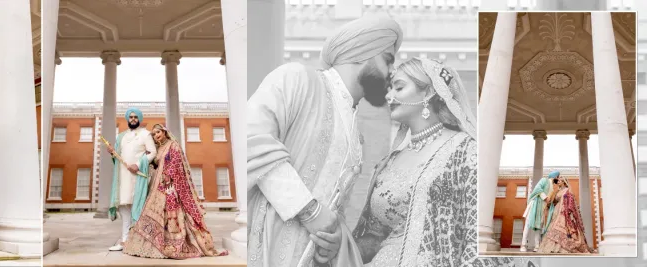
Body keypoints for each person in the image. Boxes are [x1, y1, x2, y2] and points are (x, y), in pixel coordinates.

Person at [247, 15, 402, 267]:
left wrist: (332, 241)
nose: (392, 72)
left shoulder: (356, 132)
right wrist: (310, 211)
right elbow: (251, 138)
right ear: (362, 53)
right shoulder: (296, 78)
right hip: (267, 248)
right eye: (387, 60)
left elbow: (334, 212)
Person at [350, 57, 535, 266]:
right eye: (389, 89)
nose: (389, 96)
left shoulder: (466, 151)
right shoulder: (388, 163)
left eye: (399, 88)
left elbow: (476, 235)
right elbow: (375, 236)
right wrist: (338, 245)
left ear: (429, 92)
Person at [123, 124, 228, 258]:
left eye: (158, 132)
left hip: (170, 185)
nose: (156, 135)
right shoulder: (158, 149)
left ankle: (175, 243)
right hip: (157, 185)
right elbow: (155, 165)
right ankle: (155, 244)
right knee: (155, 212)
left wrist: (168, 178)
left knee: (172, 214)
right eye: (154, 134)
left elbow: (176, 163)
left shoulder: (173, 145)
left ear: (165, 132)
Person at [107, 107, 157, 251]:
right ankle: (124, 240)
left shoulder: (145, 134)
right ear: (128, 119)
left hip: (138, 176)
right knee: (124, 206)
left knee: (138, 207)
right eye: (131, 117)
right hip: (122, 176)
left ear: (139, 119)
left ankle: (141, 241)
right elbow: (118, 155)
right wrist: (112, 152)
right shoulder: (121, 136)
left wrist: (138, 164)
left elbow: (152, 152)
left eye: (136, 117)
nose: (133, 119)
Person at [538, 173, 592, 254]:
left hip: (565, 213)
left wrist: (570, 212)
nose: (558, 181)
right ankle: (553, 247)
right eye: (558, 180)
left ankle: (563, 248)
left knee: (564, 228)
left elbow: (571, 202)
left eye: (560, 180)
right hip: (556, 212)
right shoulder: (557, 191)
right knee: (553, 228)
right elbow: (553, 202)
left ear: (564, 182)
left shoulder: (567, 190)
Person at [519, 171, 557, 252]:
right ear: (554, 176)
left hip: (542, 208)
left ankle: (537, 246)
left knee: (539, 227)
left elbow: (549, 200)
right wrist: (545, 198)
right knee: (528, 224)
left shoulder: (552, 188)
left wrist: (549, 203)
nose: (558, 178)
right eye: (558, 176)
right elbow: (538, 188)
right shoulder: (544, 180)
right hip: (535, 204)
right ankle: (523, 244)